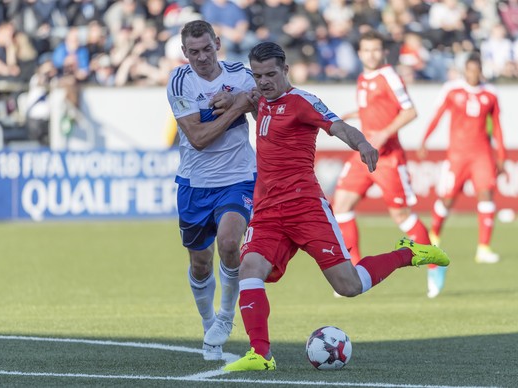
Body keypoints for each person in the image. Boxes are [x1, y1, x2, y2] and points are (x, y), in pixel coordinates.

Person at [223, 42, 450, 372]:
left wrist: (362, 144)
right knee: (250, 269)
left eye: (271, 74)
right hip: (268, 211)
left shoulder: (302, 102)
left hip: (305, 208)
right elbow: (239, 95)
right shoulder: (259, 97)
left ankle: (408, 253)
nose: (264, 81)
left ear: (286, 70)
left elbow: (338, 126)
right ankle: (261, 354)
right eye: (257, 76)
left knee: (349, 287)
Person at [166, 20, 257, 362]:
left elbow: (268, 102)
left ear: (218, 43)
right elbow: (199, 140)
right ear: (183, 52)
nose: (202, 57)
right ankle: (209, 326)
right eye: (194, 52)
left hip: (238, 177)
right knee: (200, 263)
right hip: (195, 184)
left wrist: (239, 99)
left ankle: (226, 317)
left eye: (207, 49)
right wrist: (237, 107)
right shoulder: (179, 82)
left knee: (230, 243)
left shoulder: (241, 74)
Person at [332, 30, 437, 298]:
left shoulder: (389, 75)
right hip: (364, 154)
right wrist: (355, 114)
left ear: (383, 52)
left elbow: (410, 110)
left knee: (401, 216)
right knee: (340, 204)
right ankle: (353, 270)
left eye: (376, 50)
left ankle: (434, 264)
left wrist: (385, 132)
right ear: (359, 53)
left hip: (388, 158)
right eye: (366, 50)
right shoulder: (362, 78)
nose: (371, 54)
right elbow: (375, 107)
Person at [418, 53, 506, 276]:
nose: (473, 75)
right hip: (457, 155)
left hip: (482, 154)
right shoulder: (452, 90)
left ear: (481, 71)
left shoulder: (490, 94)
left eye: (476, 71)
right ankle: (434, 236)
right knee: (447, 199)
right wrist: (424, 140)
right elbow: (437, 116)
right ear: (464, 71)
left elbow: (497, 127)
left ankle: (484, 248)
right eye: (469, 70)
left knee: (486, 195)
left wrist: (501, 156)